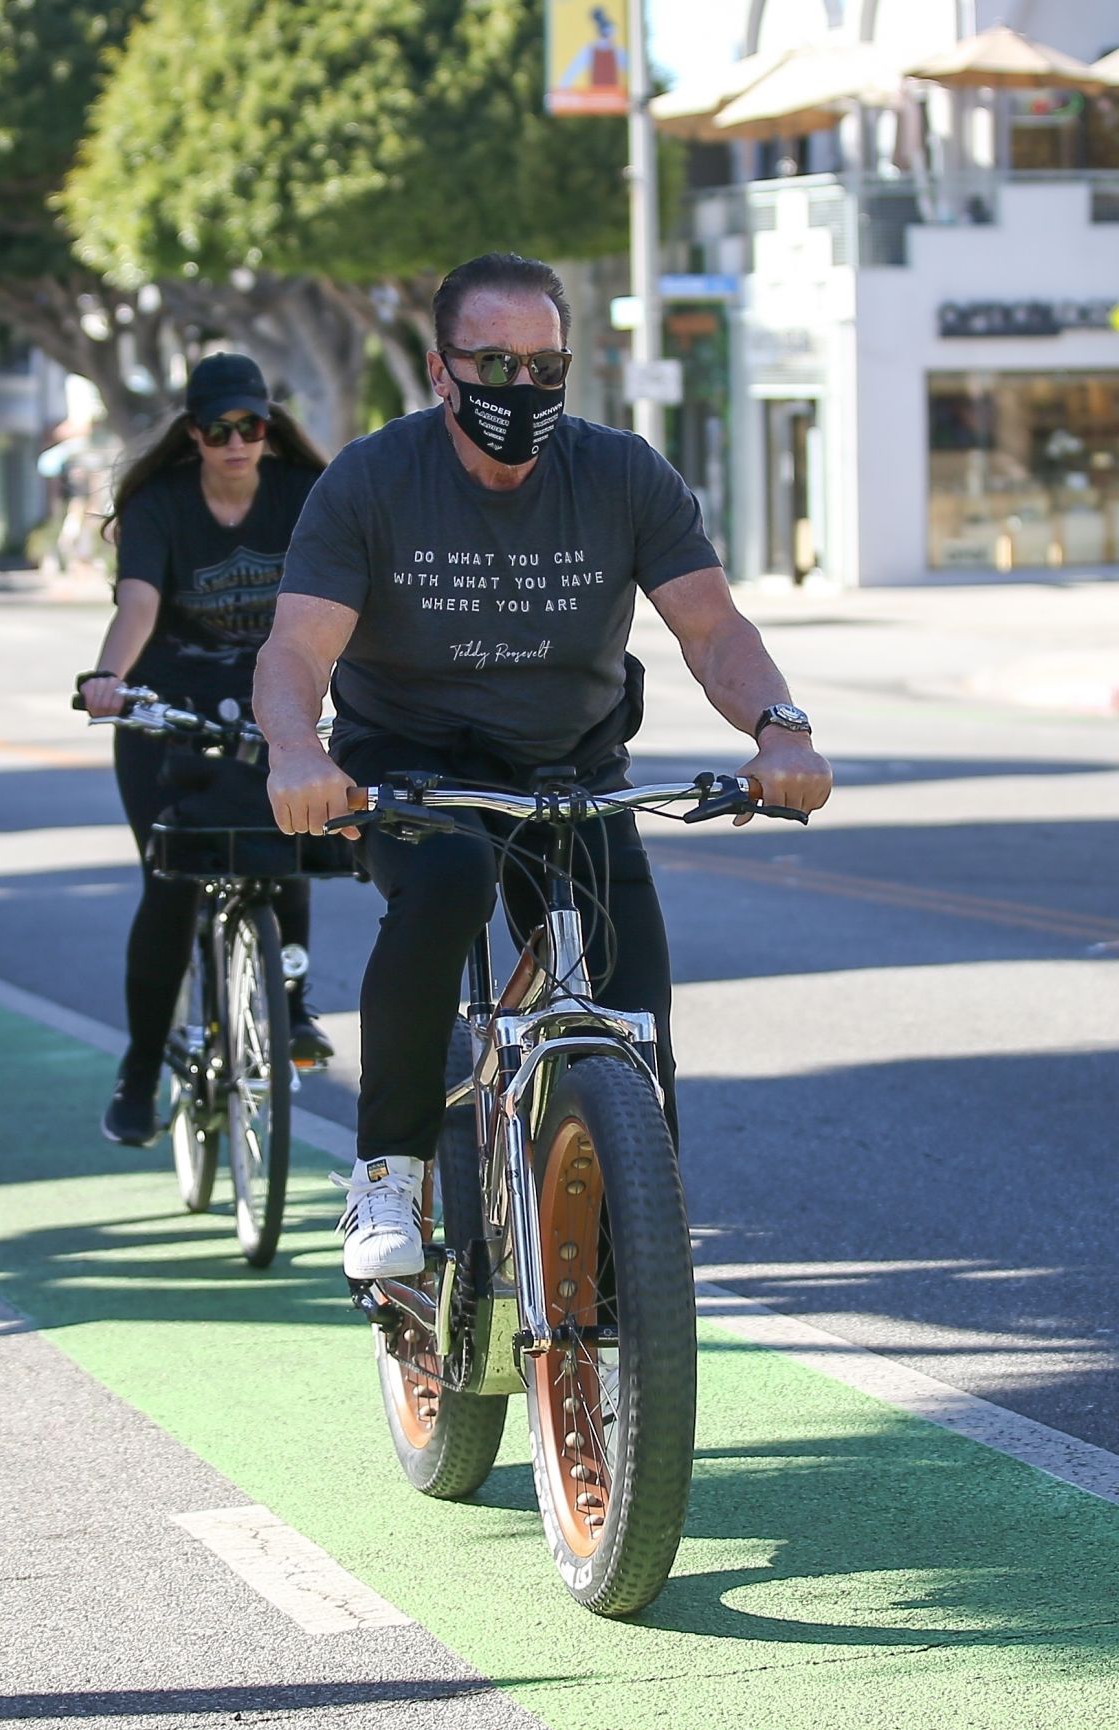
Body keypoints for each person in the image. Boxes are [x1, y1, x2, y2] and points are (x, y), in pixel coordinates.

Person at [253, 253, 832, 1279]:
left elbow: (710, 629)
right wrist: (299, 750)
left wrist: (778, 729)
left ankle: (634, 1239)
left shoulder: (619, 473)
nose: (520, 390)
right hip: (412, 766)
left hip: (569, 765)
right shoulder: (374, 479)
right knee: (445, 882)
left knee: (633, 1008)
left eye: (543, 365)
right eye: (493, 362)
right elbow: (297, 650)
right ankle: (385, 1172)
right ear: (441, 370)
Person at [78, 352, 334, 1147]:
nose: (235, 442)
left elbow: (344, 594)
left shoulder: (301, 496)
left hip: (270, 697)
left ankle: (291, 1004)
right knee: (172, 881)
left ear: (267, 428)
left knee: (285, 840)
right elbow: (139, 602)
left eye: (249, 427)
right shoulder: (161, 505)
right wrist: (109, 677)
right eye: (217, 429)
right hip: (166, 704)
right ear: (193, 436)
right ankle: (140, 1069)